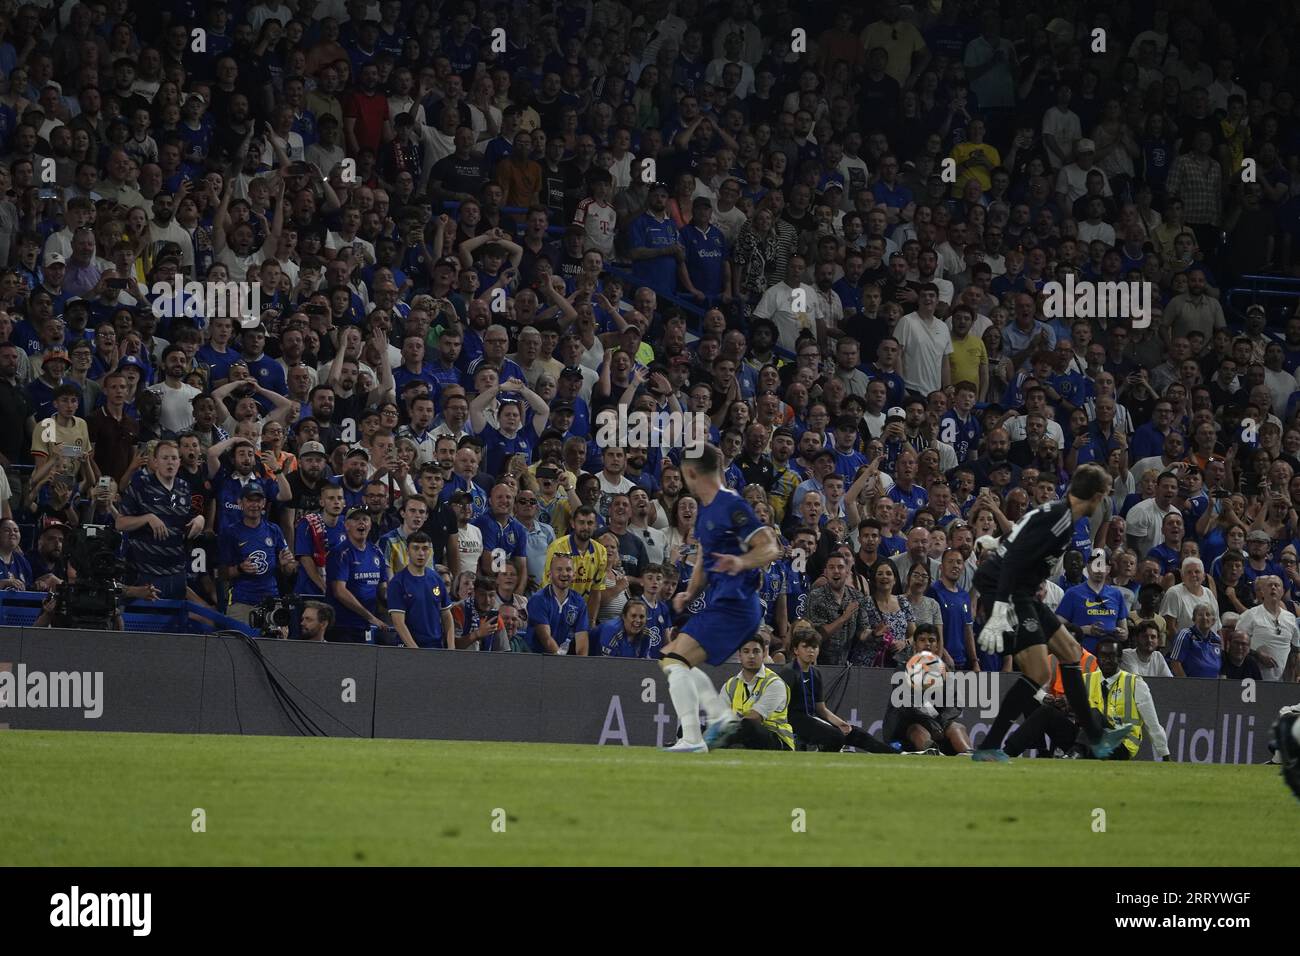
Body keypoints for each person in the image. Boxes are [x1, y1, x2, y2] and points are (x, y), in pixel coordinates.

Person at [972, 463, 1135, 760]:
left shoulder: (1058, 513)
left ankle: (1097, 739)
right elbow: (1012, 562)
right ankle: (989, 746)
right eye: (1105, 496)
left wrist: (1002, 552)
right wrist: (998, 612)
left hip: (1019, 588)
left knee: (1071, 652)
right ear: (1097, 497)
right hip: (1005, 588)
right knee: (1039, 671)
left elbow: (1019, 544)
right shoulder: (1061, 519)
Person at [662, 443, 781, 753]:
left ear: (689, 473)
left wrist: (742, 562)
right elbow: (704, 557)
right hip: (724, 603)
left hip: (738, 603)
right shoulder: (706, 509)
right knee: (673, 660)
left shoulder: (731, 505)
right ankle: (715, 721)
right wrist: (690, 592)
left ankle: (698, 734)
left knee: (675, 661)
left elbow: (770, 546)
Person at [781, 624, 898, 753]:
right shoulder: (789, 672)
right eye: (805, 646)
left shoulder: (816, 673)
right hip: (795, 720)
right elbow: (780, 707)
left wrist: (840, 723)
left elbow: (821, 709)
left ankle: (898, 755)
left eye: (814, 647)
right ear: (796, 650)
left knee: (856, 733)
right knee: (836, 736)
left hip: (812, 719)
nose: (810, 651)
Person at [115, 439, 204, 600]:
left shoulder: (184, 487)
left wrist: (200, 519)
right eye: (165, 458)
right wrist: (148, 518)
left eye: (174, 458)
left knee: (176, 622)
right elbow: (120, 523)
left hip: (176, 572)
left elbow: (188, 518)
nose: (170, 462)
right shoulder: (140, 484)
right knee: (145, 623)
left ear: (179, 462)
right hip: (144, 574)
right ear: (155, 462)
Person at [880, 624, 974, 755]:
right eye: (922, 640)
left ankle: (969, 755)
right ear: (915, 645)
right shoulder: (902, 669)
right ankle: (931, 752)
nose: (927, 644)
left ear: (937, 646)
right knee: (918, 730)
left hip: (938, 723)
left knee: (956, 727)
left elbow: (955, 704)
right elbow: (907, 704)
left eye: (931, 640)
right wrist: (929, 722)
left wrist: (942, 721)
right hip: (905, 725)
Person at [221, 484, 296, 626]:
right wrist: (240, 568)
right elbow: (221, 573)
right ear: (240, 503)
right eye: (250, 500)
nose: (254, 505)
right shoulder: (230, 533)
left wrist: (286, 565)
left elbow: (289, 570)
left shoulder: (274, 530)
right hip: (242, 603)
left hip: (272, 602)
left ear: (264, 503)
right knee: (236, 646)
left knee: (276, 646)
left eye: (258, 501)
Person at [711, 633, 795, 751]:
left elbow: (754, 718)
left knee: (749, 725)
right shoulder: (730, 685)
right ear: (740, 655)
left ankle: (717, 743)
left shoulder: (774, 683)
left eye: (756, 651)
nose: (751, 656)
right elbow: (719, 716)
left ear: (764, 654)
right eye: (746, 651)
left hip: (776, 739)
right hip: (740, 733)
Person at [326, 507, 390, 643]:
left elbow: (382, 588)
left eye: (365, 519)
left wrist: (395, 600)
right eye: (356, 519)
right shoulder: (340, 553)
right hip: (343, 626)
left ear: (370, 525)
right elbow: (339, 591)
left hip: (369, 625)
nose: (362, 522)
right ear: (347, 525)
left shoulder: (376, 551)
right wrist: (369, 617)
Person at [387, 532, 455, 649]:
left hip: (436, 647)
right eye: (416, 548)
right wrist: (416, 651)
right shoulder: (398, 583)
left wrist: (451, 646)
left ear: (430, 551)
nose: (421, 553)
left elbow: (446, 615)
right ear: (407, 551)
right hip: (408, 649)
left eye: (425, 548)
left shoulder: (436, 579)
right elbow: (398, 623)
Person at [525, 551, 590, 654]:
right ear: (549, 575)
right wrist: (561, 665)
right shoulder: (538, 600)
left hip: (561, 659)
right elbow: (546, 639)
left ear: (574, 575)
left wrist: (580, 665)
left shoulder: (579, 602)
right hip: (535, 658)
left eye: (568, 570)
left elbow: (582, 640)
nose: (564, 574)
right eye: (559, 569)